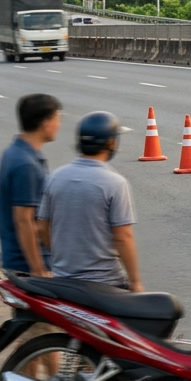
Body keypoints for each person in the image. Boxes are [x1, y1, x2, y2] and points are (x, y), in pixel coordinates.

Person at [37, 112, 142, 291]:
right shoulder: (115, 183)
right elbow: (123, 237)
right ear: (111, 143)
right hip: (106, 283)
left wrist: (64, 261)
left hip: (63, 279)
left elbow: (41, 228)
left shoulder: (55, 177)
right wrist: (135, 282)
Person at [0, 94, 61, 276]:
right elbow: (24, 220)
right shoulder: (27, 164)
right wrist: (38, 268)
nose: (59, 125)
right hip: (27, 265)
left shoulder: (13, 152)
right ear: (46, 123)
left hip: (17, 260)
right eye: (57, 119)